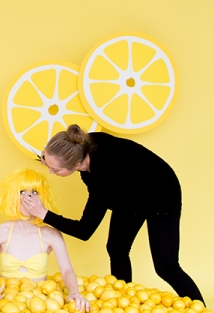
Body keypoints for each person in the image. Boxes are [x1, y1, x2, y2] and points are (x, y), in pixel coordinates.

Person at [20, 125, 204, 303]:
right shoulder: (80, 144)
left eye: (56, 169)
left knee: (166, 266)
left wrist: (44, 214)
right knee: (117, 249)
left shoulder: (102, 176)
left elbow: (84, 231)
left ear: (76, 164)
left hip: (161, 193)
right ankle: (123, 304)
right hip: (128, 191)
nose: (51, 173)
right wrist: (48, 157)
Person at [0, 168, 90, 311]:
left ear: (42, 198)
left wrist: (75, 293)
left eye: (35, 192)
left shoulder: (52, 235)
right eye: (22, 192)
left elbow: (67, 270)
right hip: (6, 305)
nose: (28, 197)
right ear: (12, 197)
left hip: (40, 307)